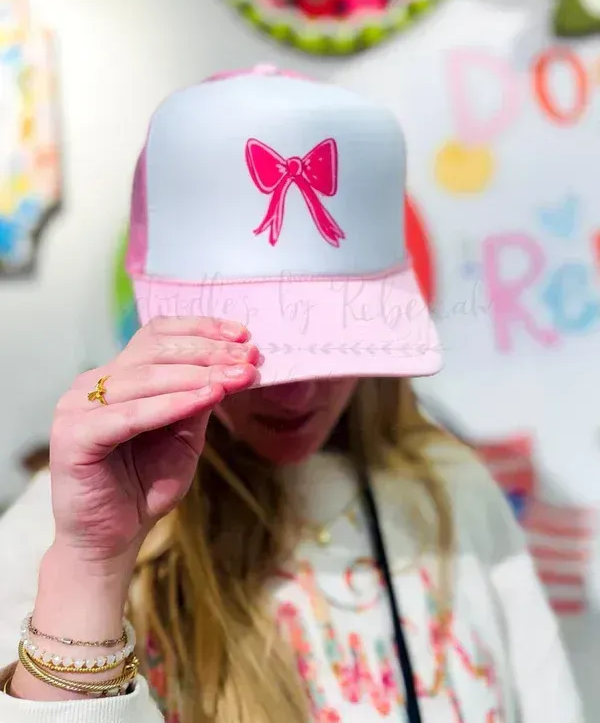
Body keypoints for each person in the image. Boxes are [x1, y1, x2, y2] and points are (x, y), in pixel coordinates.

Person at [0, 66, 583, 722]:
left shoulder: (455, 494)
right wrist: (91, 569)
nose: (296, 388)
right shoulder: (59, 526)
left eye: (333, 338)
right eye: (249, 346)